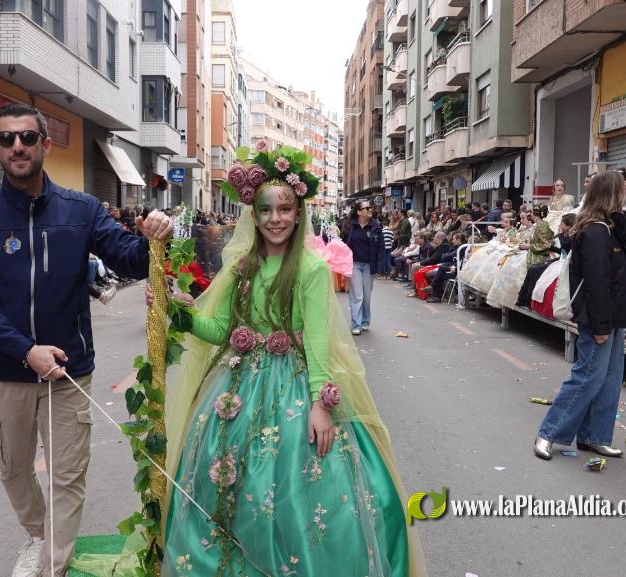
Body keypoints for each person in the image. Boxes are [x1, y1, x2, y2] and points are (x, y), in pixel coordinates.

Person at [143, 146, 425, 577]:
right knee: (231, 486)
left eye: (285, 209)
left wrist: (319, 404)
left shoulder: (310, 268)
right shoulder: (241, 267)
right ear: (252, 215)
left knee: (295, 493)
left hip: (293, 388)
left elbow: (317, 343)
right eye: (266, 209)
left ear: (298, 213)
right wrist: (175, 308)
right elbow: (220, 328)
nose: (276, 218)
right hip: (237, 389)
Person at [0, 102, 173, 577]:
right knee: (13, 469)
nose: (17, 146)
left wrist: (155, 234)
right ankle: (37, 535)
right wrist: (24, 349)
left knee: (67, 475)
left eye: (28, 138)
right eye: (7, 138)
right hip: (8, 369)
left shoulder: (82, 209)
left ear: (45, 145)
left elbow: (130, 258)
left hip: (69, 369)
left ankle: (51, 566)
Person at [534, 171, 626, 461]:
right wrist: (601, 324)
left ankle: (595, 436)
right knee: (588, 378)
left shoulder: (609, 227)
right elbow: (596, 282)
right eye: (622, 190)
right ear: (612, 194)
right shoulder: (594, 232)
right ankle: (548, 434)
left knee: (610, 380)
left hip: (615, 316)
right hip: (599, 318)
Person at [341, 200, 380, 335]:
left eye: (370, 207)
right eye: (366, 208)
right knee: (357, 296)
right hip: (354, 264)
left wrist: (380, 266)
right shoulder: (350, 226)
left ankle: (365, 321)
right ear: (359, 212)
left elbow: (380, 247)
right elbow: (343, 245)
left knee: (367, 296)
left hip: (369, 265)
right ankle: (356, 324)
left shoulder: (375, 226)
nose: (370, 210)